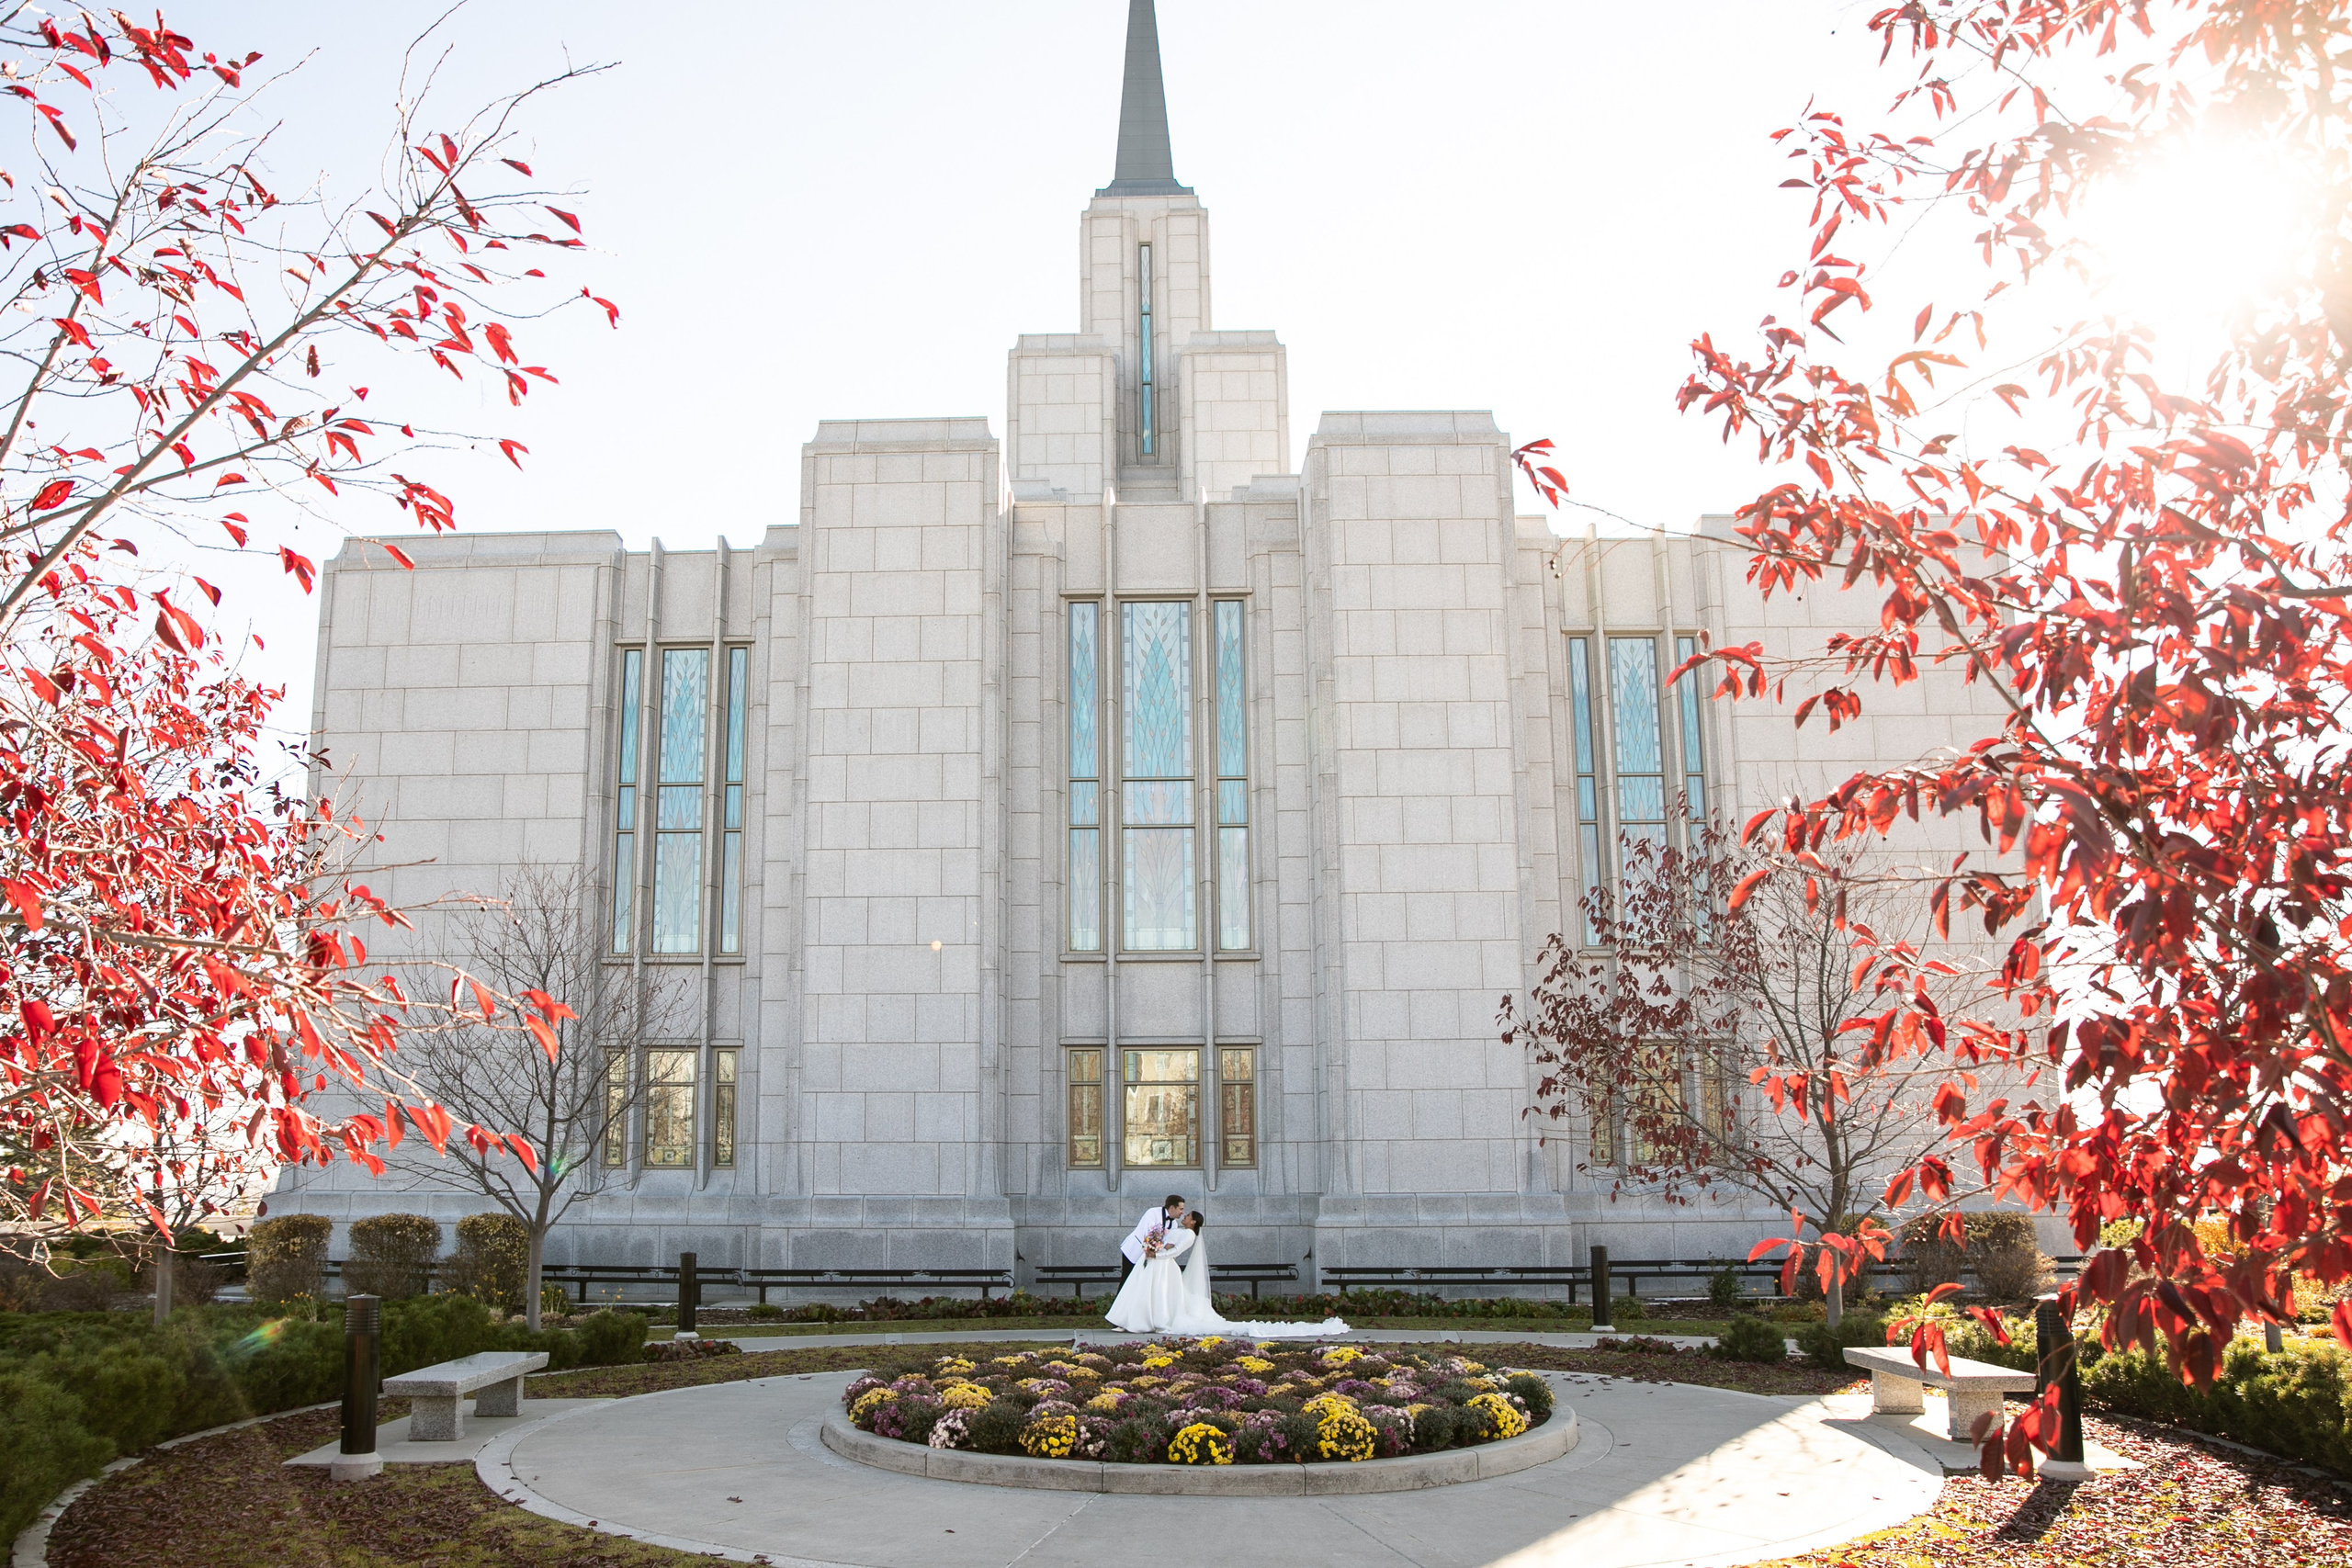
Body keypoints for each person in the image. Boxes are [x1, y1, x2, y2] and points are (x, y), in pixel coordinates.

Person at [1108, 1209, 1351, 1337]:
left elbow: (1175, 1252)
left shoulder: (1189, 1235)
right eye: (1184, 1212)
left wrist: (1156, 1254)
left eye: (1188, 1215)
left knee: (1163, 1299)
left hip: (1163, 1266)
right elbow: (1165, 1243)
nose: (1184, 1216)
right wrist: (1153, 1248)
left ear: (1193, 1223)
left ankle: (1155, 1321)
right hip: (1156, 1266)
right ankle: (1138, 1320)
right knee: (1151, 1296)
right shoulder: (1176, 1228)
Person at [1118, 1194, 1186, 1284]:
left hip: (1150, 1255)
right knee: (1127, 1280)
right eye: (1181, 1209)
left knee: (1141, 1282)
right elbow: (1149, 1233)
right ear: (1172, 1208)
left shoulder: (1174, 1224)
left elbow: (1168, 1241)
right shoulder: (1153, 1212)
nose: (1182, 1212)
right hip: (1134, 1250)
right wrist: (1159, 1247)